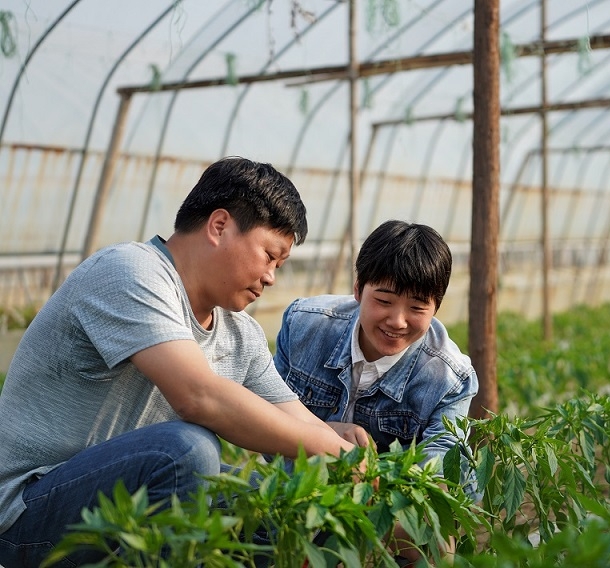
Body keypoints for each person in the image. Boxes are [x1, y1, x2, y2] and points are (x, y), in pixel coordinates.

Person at [0, 157, 357, 567]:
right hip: (27, 516)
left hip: (117, 512)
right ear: (219, 226)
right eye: (269, 255)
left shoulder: (241, 333)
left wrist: (348, 451)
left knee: (274, 504)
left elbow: (297, 422)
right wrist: (329, 448)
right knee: (186, 452)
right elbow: (198, 396)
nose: (272, 276)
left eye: (280, 265)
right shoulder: (130, 272)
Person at [272, 219, 478, 477]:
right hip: (301, 492)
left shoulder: (449, 378)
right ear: (358, 289)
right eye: (383, 300)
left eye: (416, 308)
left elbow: (441, 470)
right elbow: (266, 421)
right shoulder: (304, 326)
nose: (398, 321)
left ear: (436, 308)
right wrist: (324, 434)